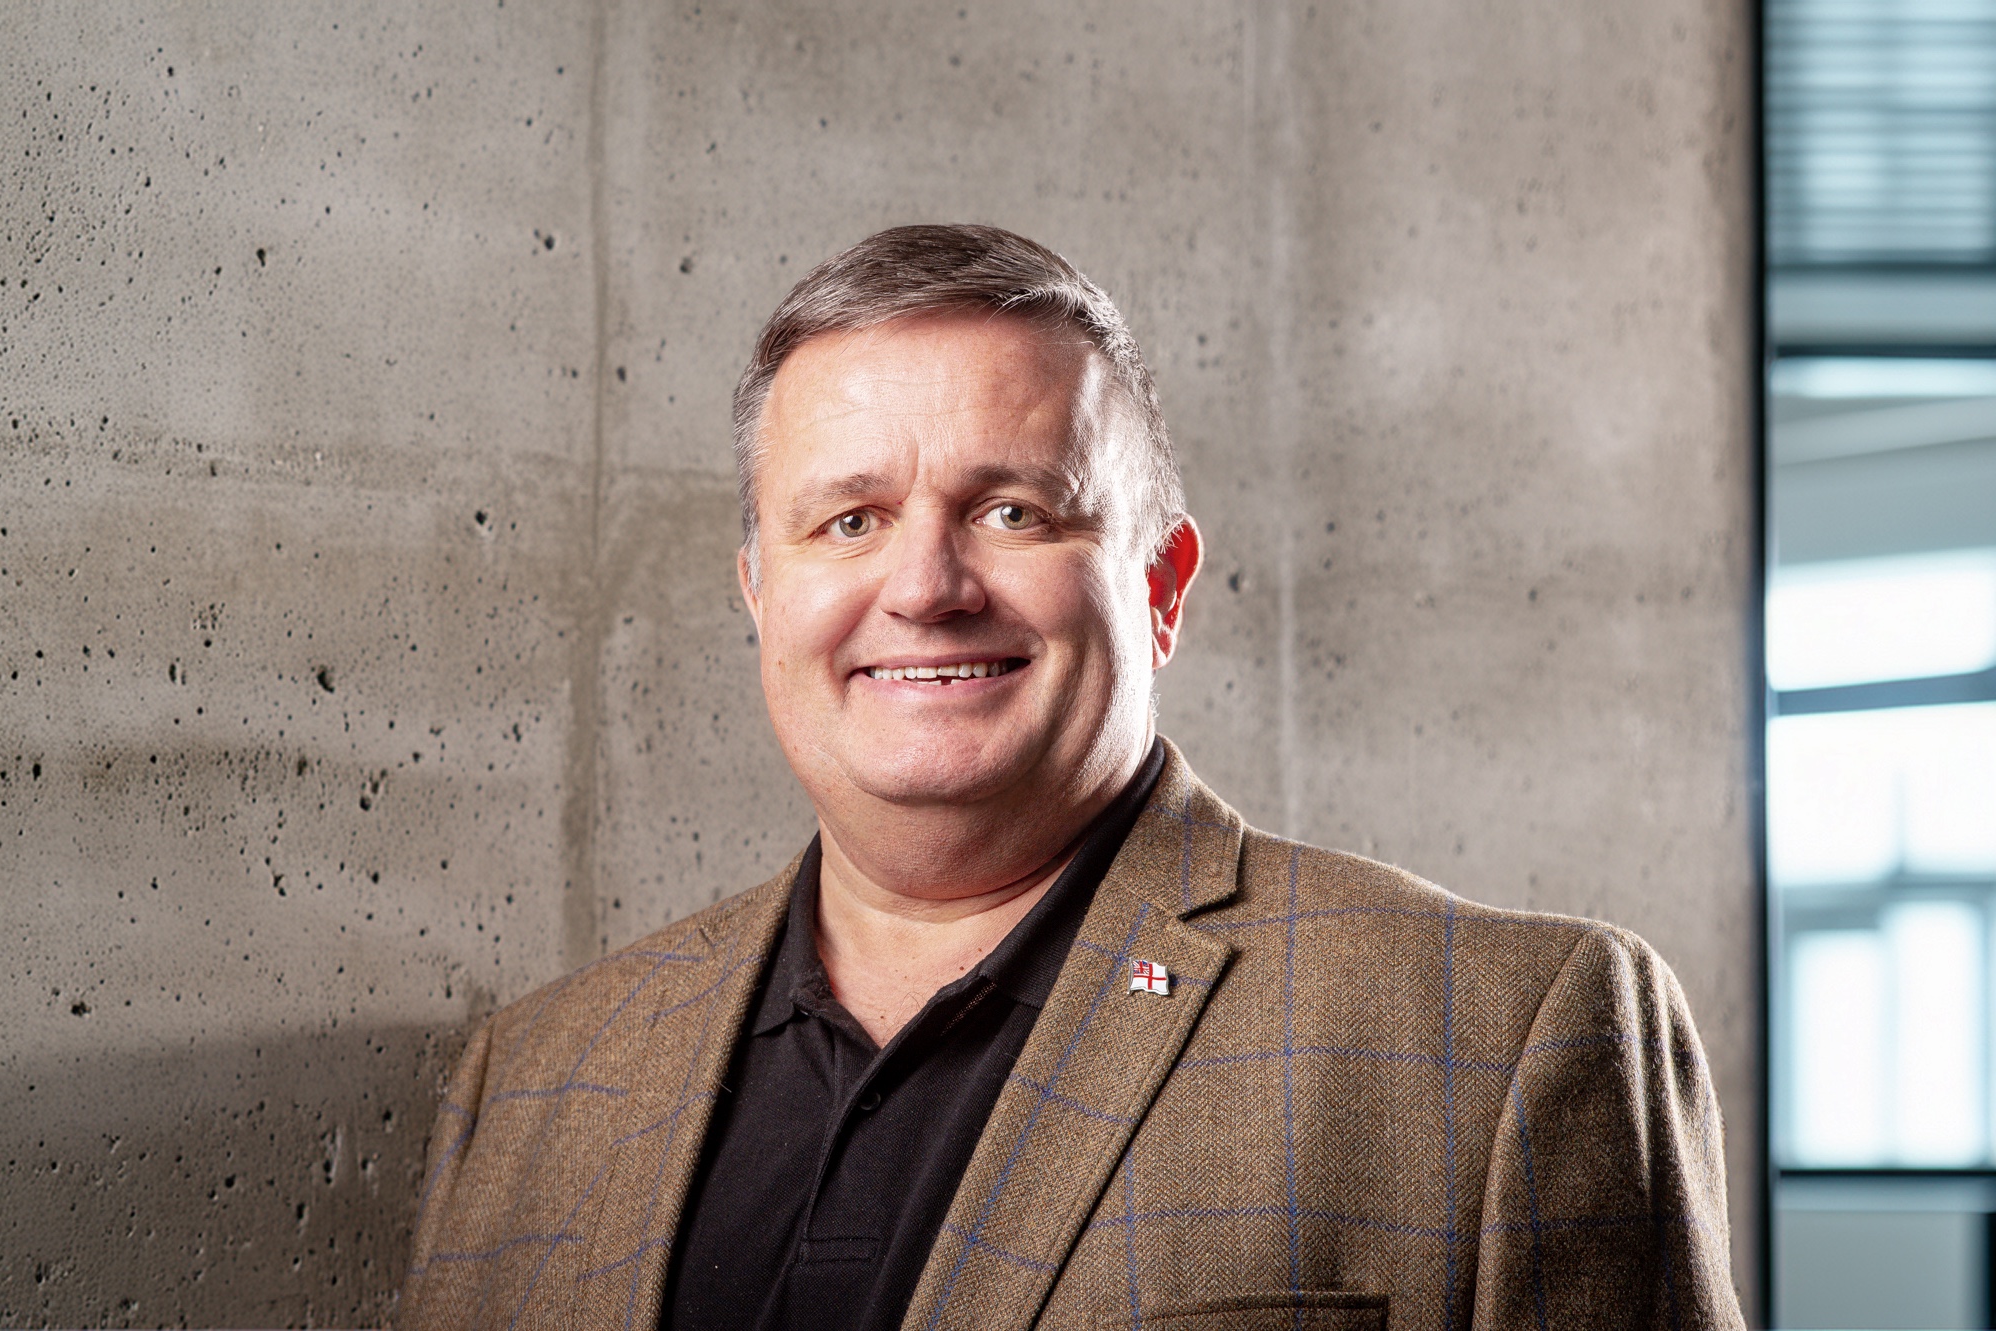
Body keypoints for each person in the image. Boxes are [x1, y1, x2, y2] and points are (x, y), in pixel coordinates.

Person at [400, 224, 1744, 1331]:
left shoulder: (1501, 1040)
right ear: (759, 590)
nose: (925, 586)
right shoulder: (532, 1086)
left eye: (1013, 512)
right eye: (850, 521)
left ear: (1161, 589)